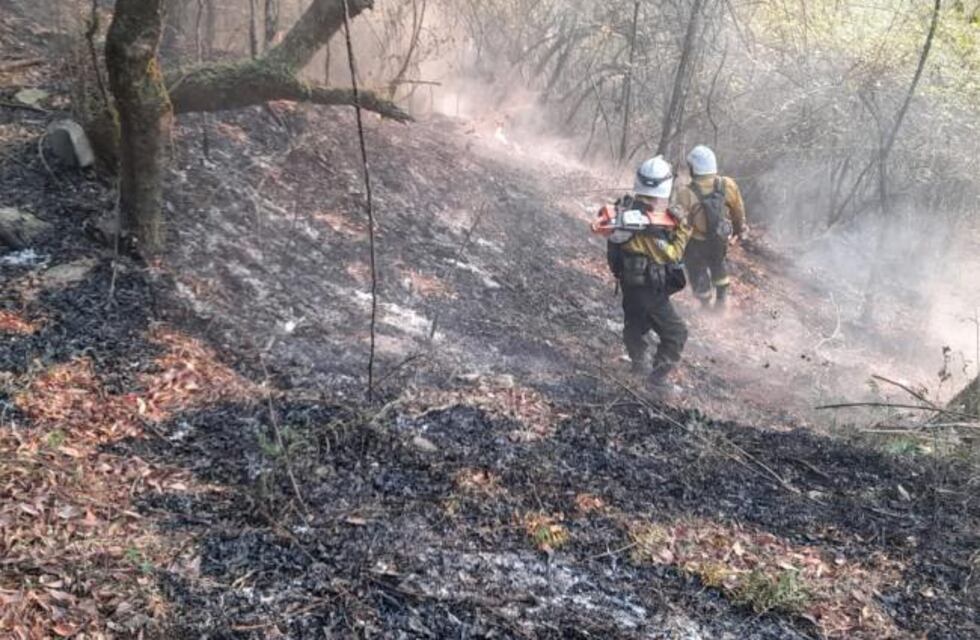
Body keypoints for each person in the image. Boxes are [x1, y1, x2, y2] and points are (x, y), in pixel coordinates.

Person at [591, 156, 691, 385]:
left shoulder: (623, 211)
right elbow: (671, 254)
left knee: (635, 326)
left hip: (629, 284)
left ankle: (638, 367)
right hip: (649, 288)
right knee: (676, 333)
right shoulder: (648, 224)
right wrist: (683, 230)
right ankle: (656, 381)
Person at [676, 145, 747, 310]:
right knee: (717, 263)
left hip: (697, 241)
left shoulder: (685, 192)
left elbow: (679, 221)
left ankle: (705, 303)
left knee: (696, 268)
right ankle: (722, 299)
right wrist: (739, 228)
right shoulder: (727, 184)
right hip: (719, 239)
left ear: (693, 168)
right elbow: (738, 210)